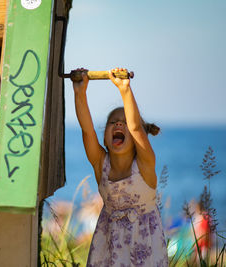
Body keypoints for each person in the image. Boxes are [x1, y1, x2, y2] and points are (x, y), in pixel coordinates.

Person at [72, 68, 168, 266]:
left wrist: (125, 90)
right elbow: (87, 131)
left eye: (124, 122)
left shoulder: (145, 164)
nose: (119, 125)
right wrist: (79, 92)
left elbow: (135, 127)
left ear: (136, 141)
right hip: (108, 249)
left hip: (145, 249)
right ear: (105, 138)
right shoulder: (101, 164)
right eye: (113, 122)